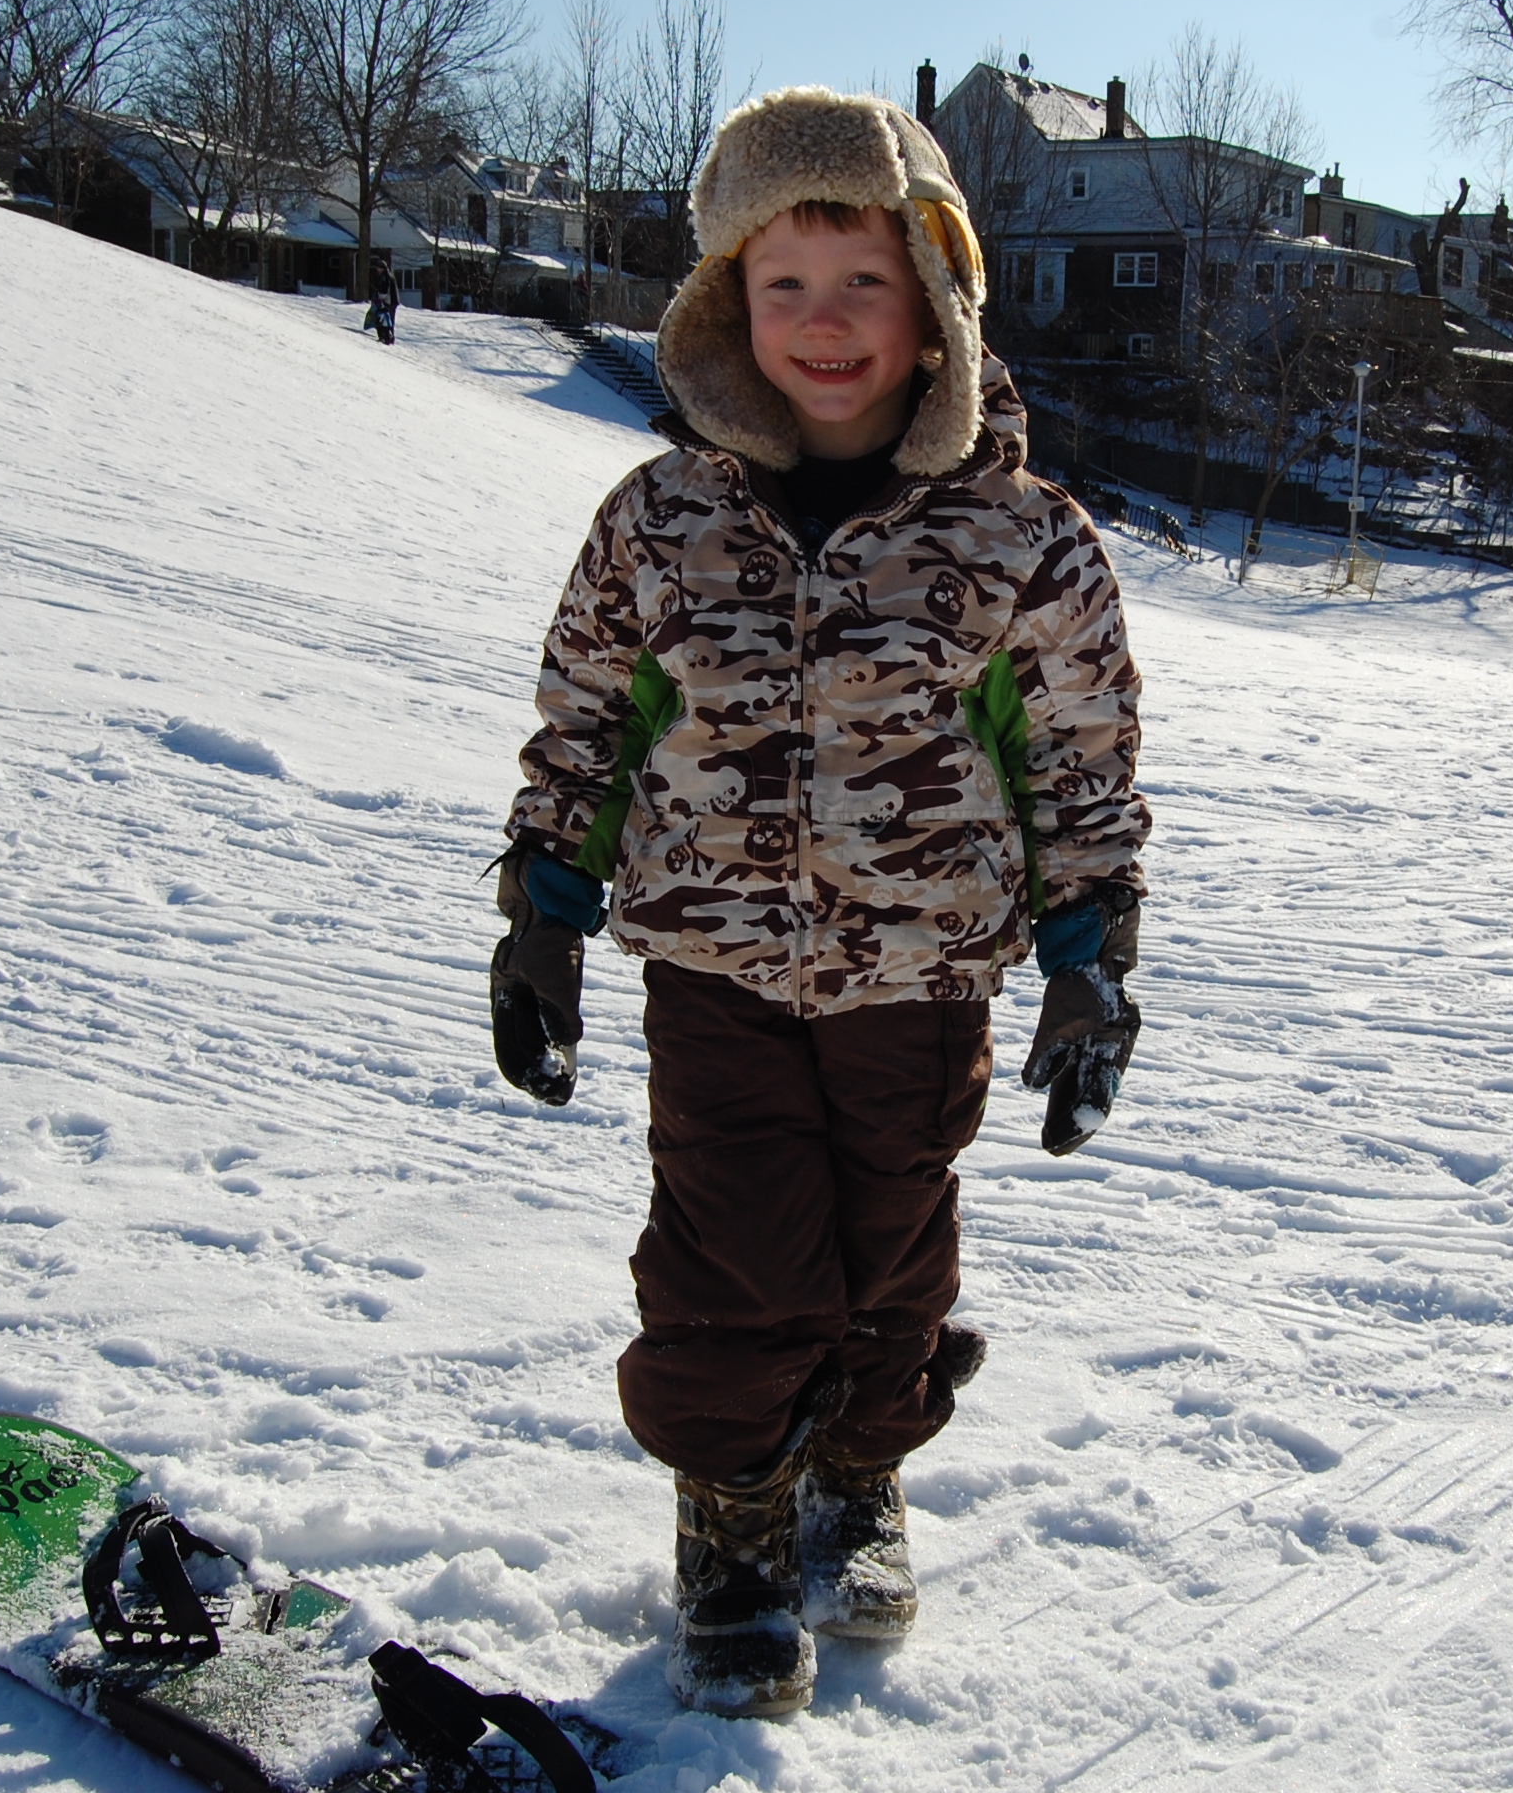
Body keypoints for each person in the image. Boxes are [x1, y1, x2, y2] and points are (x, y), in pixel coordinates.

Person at [493, 87, 1149, 1718]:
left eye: (864, 281)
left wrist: (1091, 964)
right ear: (728, 302)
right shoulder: (660, 521)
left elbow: (1078, 770)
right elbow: (585, 727)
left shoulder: (1023, 543)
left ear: (938, 301)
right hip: (712, 970)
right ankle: (730, 1520)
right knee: (731, 1258)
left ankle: (857, 1473)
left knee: (892, 1257)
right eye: (782, 283)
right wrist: (542, 917)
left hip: (923, 981)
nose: (824, 321)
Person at [367, 256, 399, 345]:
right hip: (393, 301)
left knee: (386, 320)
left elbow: (385, 290)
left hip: (389, 302)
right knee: (389, 320)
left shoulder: (386, 276)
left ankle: (387, 337)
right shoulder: (389, 275)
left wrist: (379, 297)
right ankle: (390, 337)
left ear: (382, 268)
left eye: (378, 268)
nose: (377, 269)